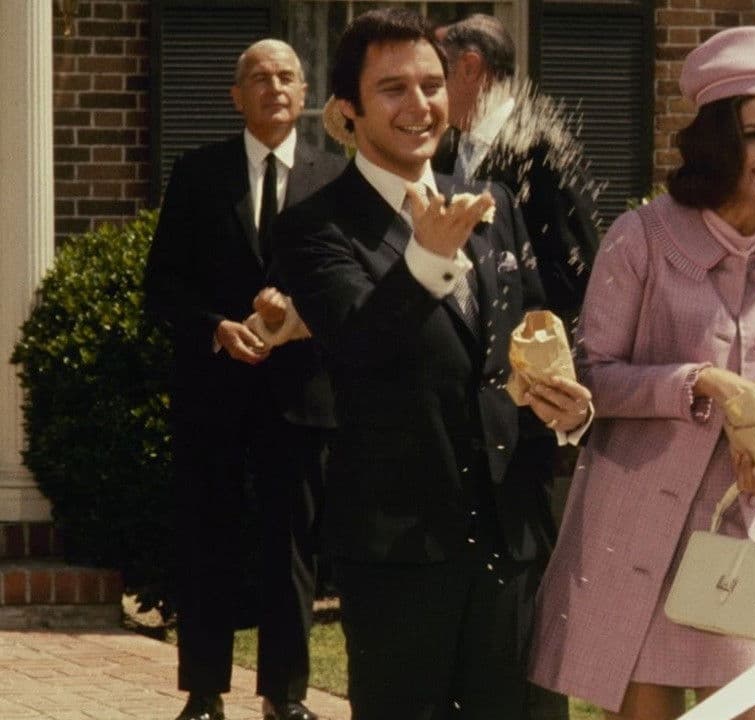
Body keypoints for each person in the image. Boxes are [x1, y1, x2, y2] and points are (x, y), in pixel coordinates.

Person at [268, 9, 592, 720]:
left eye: (431, 85)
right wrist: (426, 258)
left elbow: (534, 332)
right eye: (393, 89)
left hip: (514, 542)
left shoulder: (493, 204)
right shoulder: (315, 226)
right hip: (399, 556)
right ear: (347, 112)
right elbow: (357, 344)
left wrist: (569, 406)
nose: (419, 105)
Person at [528, 26, 755, 720]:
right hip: (636, 528)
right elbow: (594, 378)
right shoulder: (642, 237)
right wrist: (700, 381)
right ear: (716, 141)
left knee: (751, 707)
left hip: (745, 525)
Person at [143, 39, 346, 720]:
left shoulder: (334, 178)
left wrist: (299, 314)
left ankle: (285, 697)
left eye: (287, 76)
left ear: (305, 92)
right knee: (208, 539)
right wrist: (216, 327)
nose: (274, 87)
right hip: (214, 392)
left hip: (301, 394)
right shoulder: (199, 175)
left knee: (292, 547)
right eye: (259, 77)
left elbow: (350, 286)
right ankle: (204, 694)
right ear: (237, 97)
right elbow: (162, 286)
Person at [432, 13, 599, 329]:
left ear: (470, 67)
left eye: (436, 77)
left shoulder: (542, 150)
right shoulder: (444, 149)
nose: (429, 93)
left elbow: (575, 271)